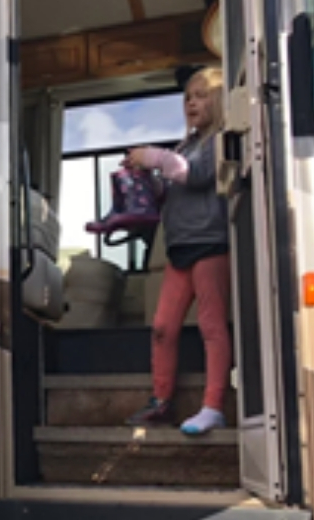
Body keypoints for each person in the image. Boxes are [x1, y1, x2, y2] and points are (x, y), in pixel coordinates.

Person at [123, 65, 230, 435]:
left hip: (210, 244)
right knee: (163, 328)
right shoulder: (185, 146)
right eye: (187, 98)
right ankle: (161, 401)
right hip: (179, 247)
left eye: (201, 96)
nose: (192, 103)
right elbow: (170, 191)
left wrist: (153, 157)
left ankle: (213, 405)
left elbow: (195, 174)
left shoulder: (220, 140)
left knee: (211, 327)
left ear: (219, 100)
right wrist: (147, 180)